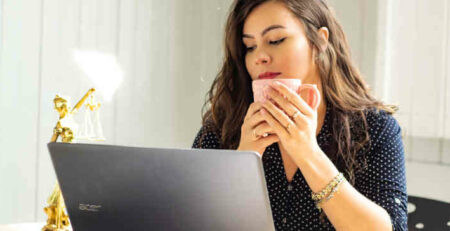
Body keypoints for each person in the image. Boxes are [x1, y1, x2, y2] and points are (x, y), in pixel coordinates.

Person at [192, 0, 407, 230]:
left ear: (320, 40)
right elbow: (187, 220)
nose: (260, 57)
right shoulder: (223, 126)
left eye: (276, 40)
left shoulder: (375, 129)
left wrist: (308, 153)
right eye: (249, 46)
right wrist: (242, 162)